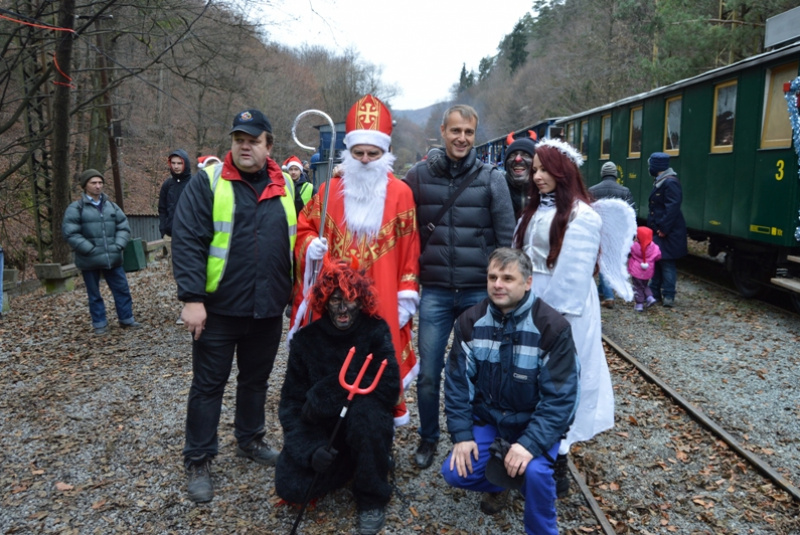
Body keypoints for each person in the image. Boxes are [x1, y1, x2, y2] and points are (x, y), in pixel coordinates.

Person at [171, 108, 297, 503]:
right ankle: (199, 458)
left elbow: (293, 244)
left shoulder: (287, 187)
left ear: (268, 145)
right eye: (239, 139)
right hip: (220, 309)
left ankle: (250, 439)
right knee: (209, 385)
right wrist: (192, 299)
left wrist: (295, 295)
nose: (245, 145)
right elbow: (188, 238)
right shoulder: (208, 181)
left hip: (267, 309)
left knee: (255, 381)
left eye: (253, 139)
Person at [290, 94, 420, 426]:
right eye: (358, 153)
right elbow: (305, 229)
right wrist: (310, 247)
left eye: (372, 153)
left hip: (382, 299)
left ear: (385, 153)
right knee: (335, 366)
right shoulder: (328, 191)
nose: (364, 160)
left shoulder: (402, 194)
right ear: (348, 153)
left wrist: (406, 296)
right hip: (335, 302)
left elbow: (410, 250)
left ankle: (378, 438)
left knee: (378, 367)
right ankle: (332, 432)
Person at [404, 104, 515, 469]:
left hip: (475, 294)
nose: (462, 138)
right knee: (429, 374)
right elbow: (390, 208)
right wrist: (350, 173)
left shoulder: (491, 179)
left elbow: (505, 242)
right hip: (434, 291)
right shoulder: (417, 177)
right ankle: (428, 439)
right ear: (442, 131)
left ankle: (478, 438)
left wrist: (503, 293)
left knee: (483, 373)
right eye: (456, 131)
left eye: (468, 132)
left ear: (474, 135)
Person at [514, 139, 626, 497]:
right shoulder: (533, 211)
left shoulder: (583, 215)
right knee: (527, 378)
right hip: (528, 303)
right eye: (535, 170)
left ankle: (557, 457)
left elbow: (573, 280)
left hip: (564, 315)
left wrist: (545, 322)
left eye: (545, 169)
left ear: (563, 171)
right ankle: (526, 447)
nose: (537, 176)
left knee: (560, 379)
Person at [440, 248, 579, 534]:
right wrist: (462, 435)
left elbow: (561, 399)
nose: (497, 284)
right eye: (492, 277)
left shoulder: (552, 328)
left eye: (507, 278)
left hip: (533, 422)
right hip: (492, 421)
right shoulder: (470, 322)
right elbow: (456, 384)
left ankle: (541, 529)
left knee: (538, 474)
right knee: (455, 473)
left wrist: (529, 445)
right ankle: (503, 477)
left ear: (527, 282)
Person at [276, 259, 399, 535]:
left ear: (361, 301)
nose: (343, 308)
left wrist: (330, 391)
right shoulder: (305, 341)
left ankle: (371, 496)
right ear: (324, 302)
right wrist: (311, 450)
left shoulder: (375, 331)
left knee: (367, 413)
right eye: (335, 300)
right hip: (325, 432)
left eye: (350, 300)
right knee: (290, 486)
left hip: (364, 423)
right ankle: (349, 464)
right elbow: (291, 406)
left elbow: (389, 387)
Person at [62, 169, 142, 335]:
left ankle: (126, 318)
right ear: (85, 186)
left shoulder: (111, 206)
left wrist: (118, 245)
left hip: (112, 257)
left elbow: (123, 227)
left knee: (122, 289)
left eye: (100, 183)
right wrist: (89, 249)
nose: (98, 186)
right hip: (89, 260)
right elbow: (71, 233)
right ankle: (99, 323)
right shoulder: (76, 208)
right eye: (93, 183)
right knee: (94, 294)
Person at [588, 161, 634, 309]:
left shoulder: (592, 190)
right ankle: (607, 292)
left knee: (602, 259)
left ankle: (607, 294)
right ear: (615, 174)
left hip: (598, 231)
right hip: (616, 233)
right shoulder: (624, 190)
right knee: (608, 259)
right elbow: (631, 213)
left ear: (602, 174)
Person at [646, 152, 687, 308]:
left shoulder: (669, 183)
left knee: (667, 263)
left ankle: (668, 295)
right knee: (657, 261)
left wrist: (663, 228)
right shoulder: (662, 181)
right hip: (660, 230)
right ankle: (655, 292)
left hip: (667, 232)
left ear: (655, 166)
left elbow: (672, 207)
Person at [159, 149, 193, 324]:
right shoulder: (167, 185)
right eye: (173, 163)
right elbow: (162, 209)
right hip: (172, 235)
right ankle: (185, 307)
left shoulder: (195, 183)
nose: (177, 166)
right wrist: (163, 229)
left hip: (191, 235)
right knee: (178, 272)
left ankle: (197, 305)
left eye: (180, 163)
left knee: (193, 270)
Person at [504, 132, 537, 220]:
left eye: (525, 155)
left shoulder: (546, 192)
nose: (518, 159)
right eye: (513, 155)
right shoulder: (496, 189)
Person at [628, 226, 662, 311]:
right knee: (644, 285)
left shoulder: (634, 246)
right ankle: (650, 297)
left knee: (637, 287)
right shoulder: (654, 247)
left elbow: (628, 251)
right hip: (648, 271)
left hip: (636, 271)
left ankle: (639, 305)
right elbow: (658, 256)